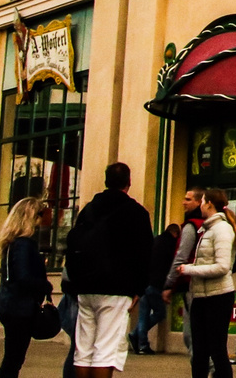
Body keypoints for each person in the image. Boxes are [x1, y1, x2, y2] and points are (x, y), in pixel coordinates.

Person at [64, 162, 155, 378]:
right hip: (117, 287)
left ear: (106, 181)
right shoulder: (136, 213)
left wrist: (76, 283)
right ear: (128, 182)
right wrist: (139, 289)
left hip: (85, 287)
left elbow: (73, 246)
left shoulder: (88, 210)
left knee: (83, 350)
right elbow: (145, 254)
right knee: (105, 350)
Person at [176, 190, 236, 378]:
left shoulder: (222, 230)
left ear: (209, 203)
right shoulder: (208, 229)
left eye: (202, 201)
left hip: (218, 297)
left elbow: (222, 266)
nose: (199, 206)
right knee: (200, 352)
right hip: (202, 296)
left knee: (217, 350)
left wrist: (189, 270)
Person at [0, 198, 54, 378]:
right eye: (39, 215)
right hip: (18, 308)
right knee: (13, 360)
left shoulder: (12, 243)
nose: (41, 221)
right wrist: (45, 285)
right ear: (30, 217)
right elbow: (23, 277)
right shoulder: (23, 244)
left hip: (10, 304)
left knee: (13, 358)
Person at [162, 188, 207, 357]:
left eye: (188, 199)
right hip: (206, 283)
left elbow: (181, 256)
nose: (183, 202)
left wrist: (169, 284)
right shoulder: (210, 225)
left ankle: (208, 369)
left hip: (191, 283)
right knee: (202, 333)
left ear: (199, 202)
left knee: (192, 335)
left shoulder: (191, 226)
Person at [134, 223, 179, 354]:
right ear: (175, 233)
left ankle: (141, 343)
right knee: (160, 313)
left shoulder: (155, 240)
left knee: (143, 315)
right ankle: (137, 335)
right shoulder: (171, 244)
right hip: (157, 283)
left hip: (145, 282)